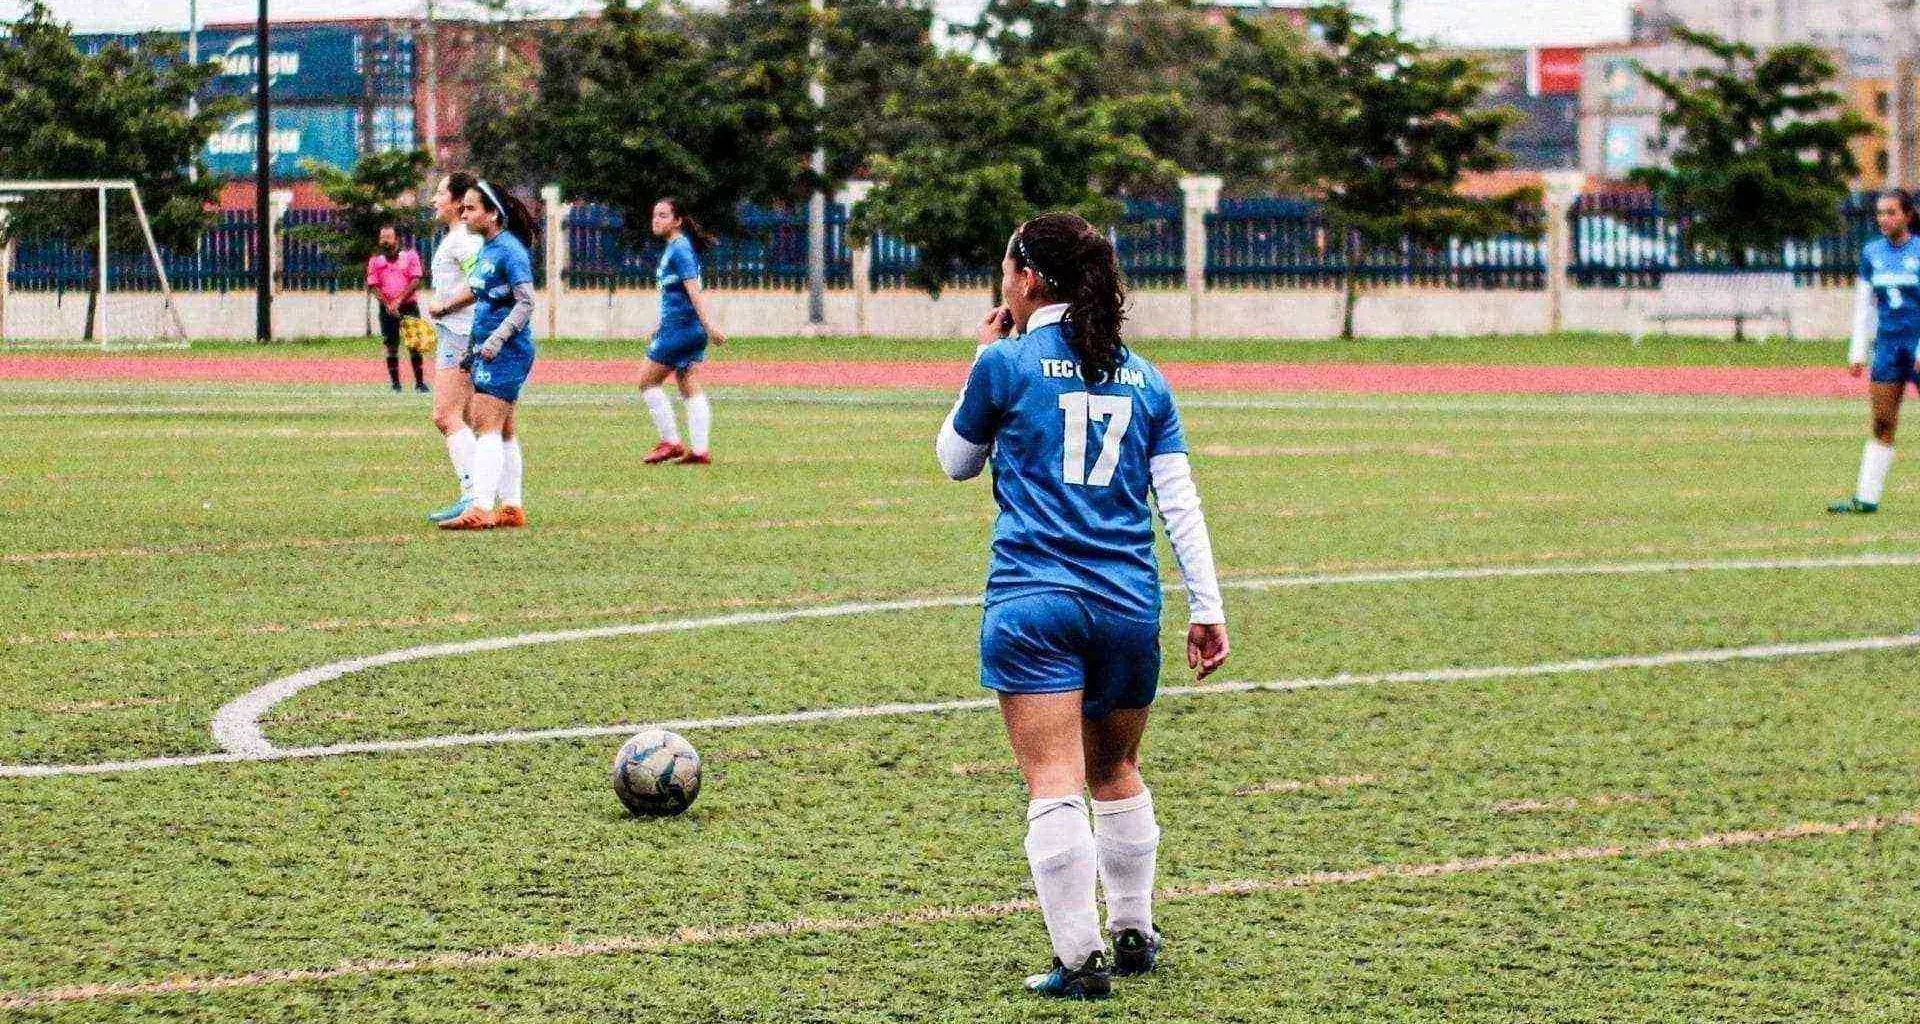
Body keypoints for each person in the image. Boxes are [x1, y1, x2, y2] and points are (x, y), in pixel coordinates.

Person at [935, 212, 1229, 999]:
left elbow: (955, 462)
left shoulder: (1005, 363)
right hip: (1128, 605)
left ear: (1027, 280)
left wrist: (982, 355)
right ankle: (1133, 930)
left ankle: (1078, 957)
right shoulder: (1146, 376)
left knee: (1053, 781)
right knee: (1118, 768)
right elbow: (1181, 502)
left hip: (1034, 601)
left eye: (1006, 268)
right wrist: (1208, 606)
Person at [439, 181, 538, 531]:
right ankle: (511, 507)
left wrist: (497, 339)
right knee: (505, 428)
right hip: (487, 348)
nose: (464, 214)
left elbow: (526, 301)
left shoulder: (510, 251)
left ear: (493, 214)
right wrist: (452, 316)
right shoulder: (488, 248)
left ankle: (480, 507)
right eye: (462, 208)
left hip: (507, 350)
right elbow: (481, 295)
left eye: (471, 208)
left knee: (485, 424)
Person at [1832, 189, 1920, 514]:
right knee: (1882, 422)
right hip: (1888, 349)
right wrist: (1858, 351)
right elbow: (1865, 306)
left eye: (1891, 212)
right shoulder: (1872, 252)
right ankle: (1866, 498)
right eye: (1881, 213)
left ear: (1908, 215)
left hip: (1917, 345)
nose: (1884, 218)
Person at [638, 197, 728, 466]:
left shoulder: (679, 249)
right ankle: (699, 451)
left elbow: (692, 290)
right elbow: (676, 295)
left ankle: (671, 442)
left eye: (663, 215)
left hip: (682, 330)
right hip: (683, 328)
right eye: (655, 215)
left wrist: (708, 324)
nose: (656, 219)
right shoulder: (676, 248)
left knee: (647, 381)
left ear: (678, 221)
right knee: (687, 381)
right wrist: (659, 325)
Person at [421, 172, 488, 524]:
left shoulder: (463, 240)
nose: (434, 199)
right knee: (476, 419)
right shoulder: (457, 237)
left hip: (461, 335)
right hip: (460, 333)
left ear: (458, 201)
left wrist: (443, 307)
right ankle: (485, 496)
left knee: (446, 416)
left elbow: (483, 282)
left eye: (439, 193)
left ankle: (475, 496)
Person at [366, 224, 428, 393]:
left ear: (396, 239)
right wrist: (388, 304)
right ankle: (395, 384)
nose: (384, 241)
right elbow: (373, 285)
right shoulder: (375, 261)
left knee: (414, 344)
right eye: (382, 237)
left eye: (388, 237)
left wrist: (398, 301)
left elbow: (415, 280)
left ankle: (420, 383)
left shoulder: (410, 256)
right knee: (391, 345)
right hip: (387, 309)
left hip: (409, 306)